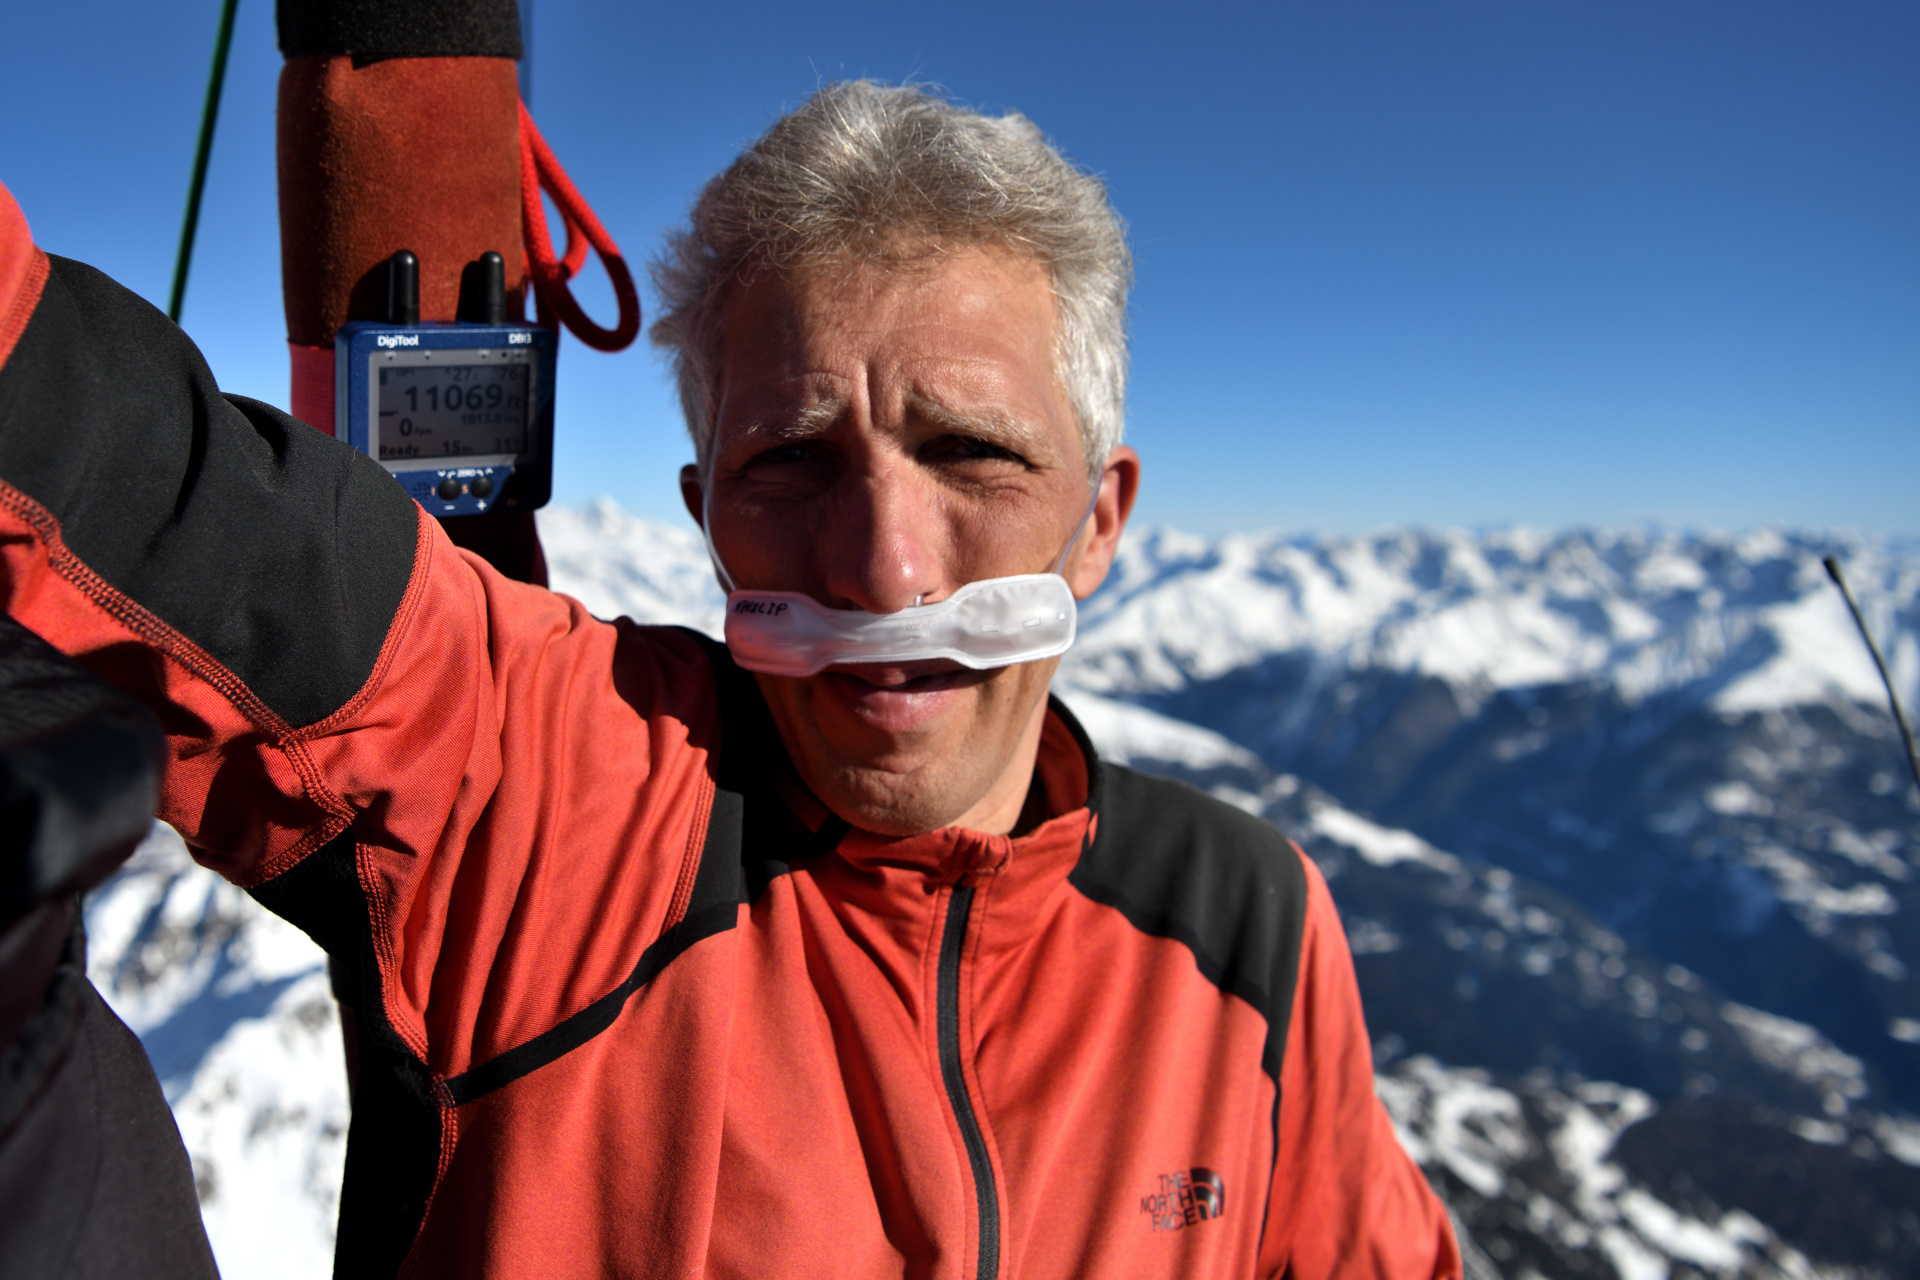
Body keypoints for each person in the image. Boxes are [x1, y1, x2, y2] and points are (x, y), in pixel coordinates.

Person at [0, 83, 1458, 1279]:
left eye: (974, 455)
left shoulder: (1246, 922)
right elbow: (109, 453)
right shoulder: (548, 784)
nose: (885, 569)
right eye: (791, 463)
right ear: (706, 518)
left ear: (1100, 519)